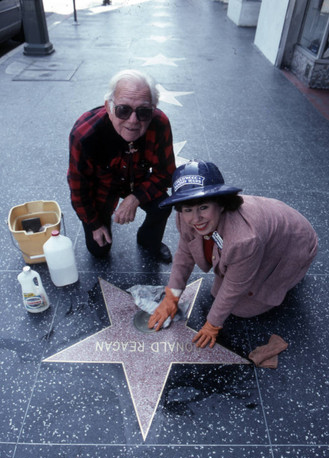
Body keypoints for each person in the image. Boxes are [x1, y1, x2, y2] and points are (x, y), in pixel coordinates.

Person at [148, 160, 318, 348]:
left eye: (203, 207)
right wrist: (171, 296)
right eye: (188, 210)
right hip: (264, 235)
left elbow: (234, 286)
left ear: (221, 203)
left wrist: (213, 324)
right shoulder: (184, 216)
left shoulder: (244, 239)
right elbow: (184, 254)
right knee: (219, 290)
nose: (195, 218)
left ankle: (290, 275)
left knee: (241, 308)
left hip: (292, 245)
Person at [67, 69, 176, 263]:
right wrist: (94, 224)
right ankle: (103, 224)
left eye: (143, 112)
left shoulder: (159, 124)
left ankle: (148, 239)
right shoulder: (85, 134)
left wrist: (134, 198)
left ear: (153, 109)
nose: (133, 121)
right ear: (109, 107)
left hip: (138, 180)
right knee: (99, 251)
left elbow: (166, 174)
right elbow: (78, 189)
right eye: (123, 110)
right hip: (102, 189)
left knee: (162, 206)